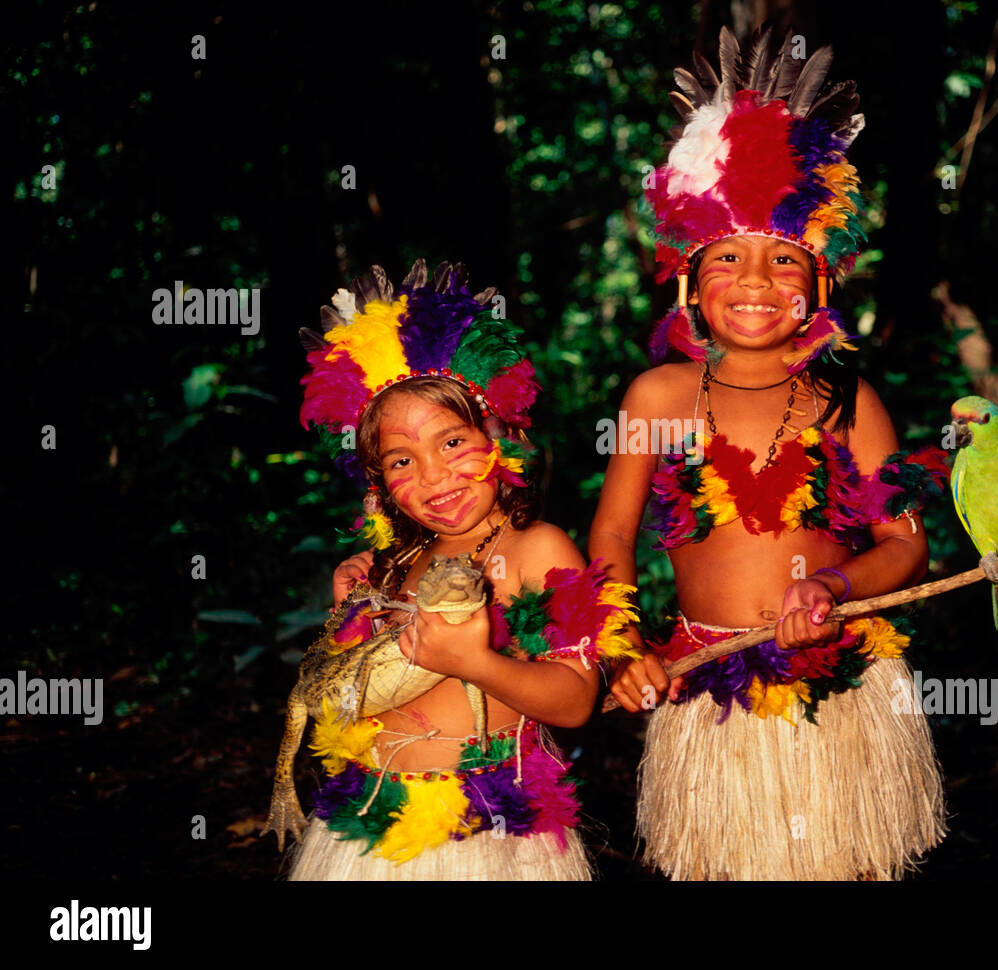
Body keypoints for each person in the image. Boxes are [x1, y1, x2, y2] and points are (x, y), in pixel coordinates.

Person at [592, 28, 949, 880]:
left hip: (844, 691)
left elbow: (903, 541)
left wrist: (831, 584)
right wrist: (617, 642)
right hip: (707, 691)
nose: (756, 281)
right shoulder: (657, 400)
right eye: (728, 258)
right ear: (687, 276)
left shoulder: (848, 402)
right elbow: (610, 536)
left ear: (820, 280)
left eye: (783, 259)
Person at [283, 259, 637, 880]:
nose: (433, 477)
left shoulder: (537, 548)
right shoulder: (397, 564)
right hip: (372, 824)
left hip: (487, 833)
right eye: (400, 462)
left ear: (499, 435)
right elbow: (346, 700)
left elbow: (576, 700)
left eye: (451, 443)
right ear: (378, 487)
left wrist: (476, 662)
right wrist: (348, 613)